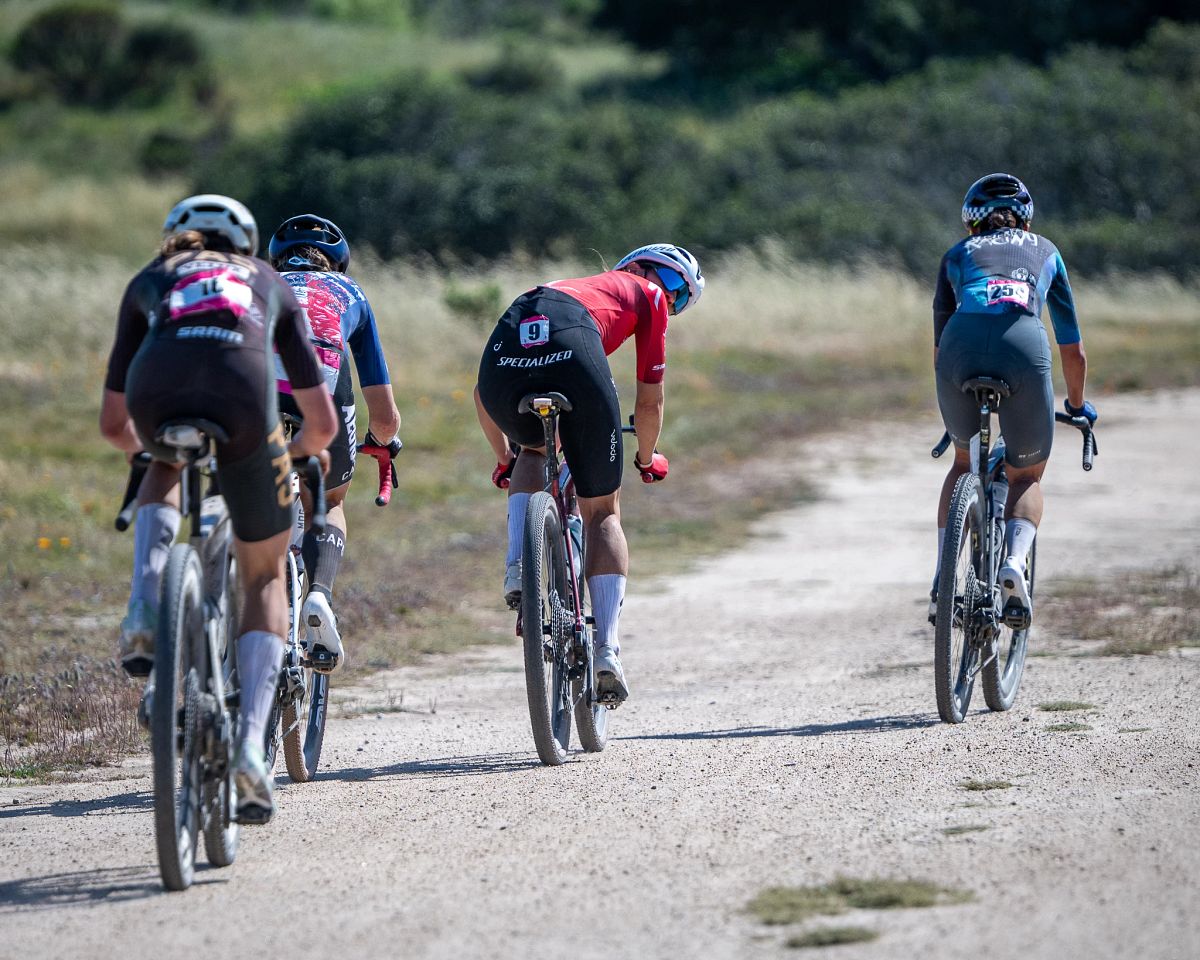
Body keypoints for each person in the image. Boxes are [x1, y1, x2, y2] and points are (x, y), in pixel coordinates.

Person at [100, 194, 338, 822]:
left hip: (160, 392)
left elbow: (113, 424)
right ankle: (252, 755)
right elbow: (321, 423)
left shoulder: (150, 279)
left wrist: (148, 451)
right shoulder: (267, 279)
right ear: (247, 242)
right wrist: (294, 456)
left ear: (173, 237)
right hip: (241, 400)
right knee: (263, 574)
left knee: (161, 464)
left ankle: (145, 604)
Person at [474, 244, 705, 704]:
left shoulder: (562, 287)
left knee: (533, 454)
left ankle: (518, 568)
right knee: (602, 512)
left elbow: (482, 394)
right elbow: (649, 400)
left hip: (507, 352)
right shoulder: (647, 295)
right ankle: (607, 651)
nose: (671, 300)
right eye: (675, 285)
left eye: (680, 300)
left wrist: (504, 458)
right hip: (575, 353)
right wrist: (647, 456)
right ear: (637, 268)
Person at [931, 173, 1097, 622]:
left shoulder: (956, 255)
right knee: (1025, 476)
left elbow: (938, 350)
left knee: (964, 463)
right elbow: (1073, 351)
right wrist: (1078, 408)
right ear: (1025, 221)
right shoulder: (1046, 251)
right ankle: (1014, 562)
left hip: (959, 350)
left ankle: (942, 581)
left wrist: (954, 420)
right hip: (1023, 345)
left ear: (971, 225)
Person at [267, 214, 401, 674]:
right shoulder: (352, 293)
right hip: (319, 385)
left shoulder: (253, 281)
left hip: (248, 380)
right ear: (338, 264)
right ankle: (319, 595)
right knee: (329, 498)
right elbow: (384, 416)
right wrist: (382, 443)